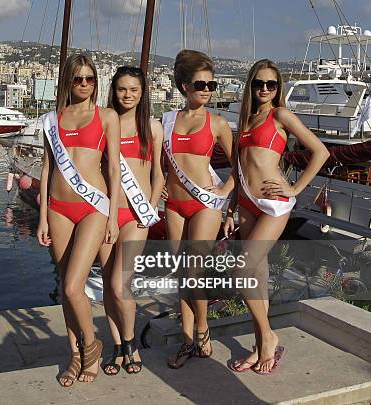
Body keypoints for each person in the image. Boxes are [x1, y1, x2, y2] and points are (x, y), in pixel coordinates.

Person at [224, 59, 329, 374]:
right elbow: (239, 166)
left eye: (271, 84)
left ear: (278, 87)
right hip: (245, 202)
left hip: (273, 204)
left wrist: (295, 188)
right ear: (251, 86)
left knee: (242, 270)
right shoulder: (246, 119)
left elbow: (320, 151)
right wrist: (231, 206)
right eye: (259, 84)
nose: (265, 89)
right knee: (257, 277)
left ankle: (268, 337)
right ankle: (259, 347)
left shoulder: (280, 114)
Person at [36, 53, 121, 386]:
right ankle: (75, 355)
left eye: (90, 79)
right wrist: (42, 216)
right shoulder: (52, 119)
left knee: (74, 286)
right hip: (57, 207)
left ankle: (91, 345)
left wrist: (113, 216)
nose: (84, 84)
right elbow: (46, 169)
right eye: (78, 79)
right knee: (65, 286)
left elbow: (113, 168)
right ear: (67, 82)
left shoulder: (107, 116)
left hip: (92, 208)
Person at [163, 50, 235, 369]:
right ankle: (187, 340)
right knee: (182, 275)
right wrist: (159, 185)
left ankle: (203, 328)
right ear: (184, 86)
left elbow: (241, 167)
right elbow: (153, 161)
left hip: (205, 204)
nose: (207, 89)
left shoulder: (218, 123)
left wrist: (224, 191)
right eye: (201, 84)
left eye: (211, 84)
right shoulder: (167, 121)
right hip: (174, 205)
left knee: (194, 271)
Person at [98, 66, 164, 376]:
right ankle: (118, 346)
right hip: (106, 214)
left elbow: (158, 175)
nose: (128, 95)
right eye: (122, 89)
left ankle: (130, 342)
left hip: (136, 217)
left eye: (133, 90)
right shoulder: (103, 124)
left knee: (119, 283)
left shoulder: (152, 128)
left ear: (142, 93)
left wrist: (149, 209)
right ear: (114, 91)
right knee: (108, 288)